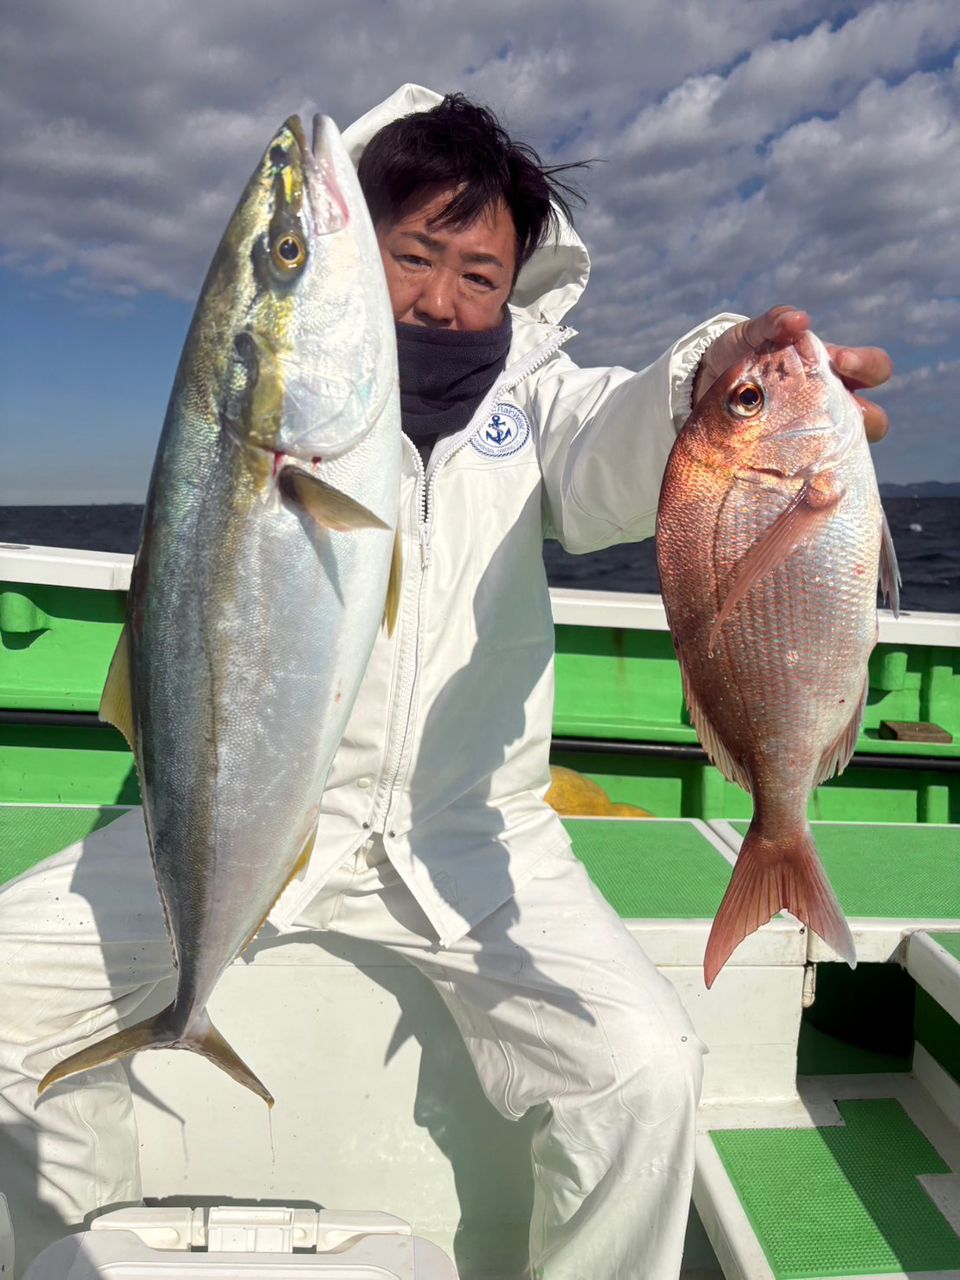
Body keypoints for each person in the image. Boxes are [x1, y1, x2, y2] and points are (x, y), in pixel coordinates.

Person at [0, 85, 892, 1279]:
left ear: (516, 290)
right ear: (355, 258)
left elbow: (628, 438)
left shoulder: (541, 406)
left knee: (645, 1073)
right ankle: (78, 1242)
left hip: (479, 837)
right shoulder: (273, 415)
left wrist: (712, 375)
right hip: (234, 808)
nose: (442, 296)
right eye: (411, 254)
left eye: (481, 274)